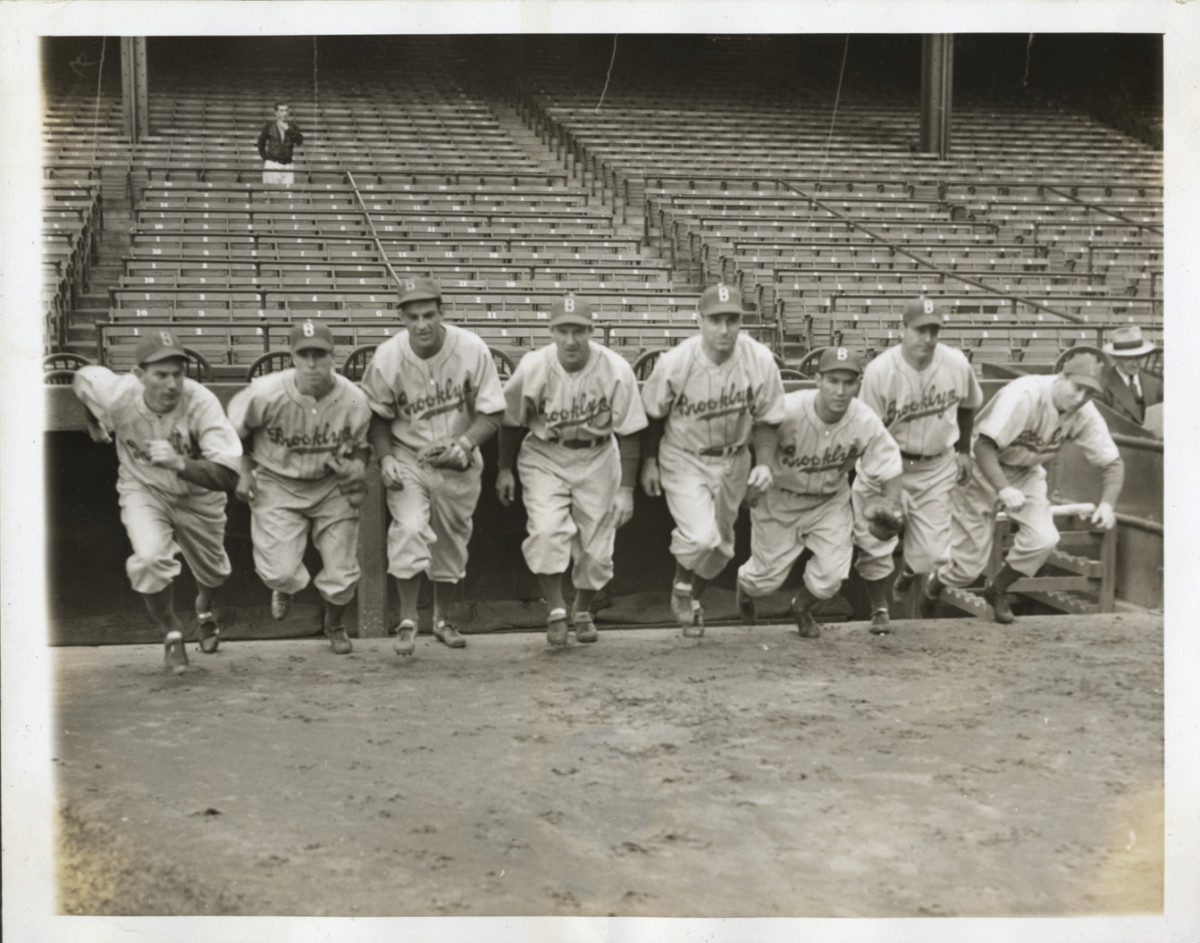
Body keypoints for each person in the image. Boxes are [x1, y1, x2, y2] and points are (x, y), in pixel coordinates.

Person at [72, 330, 241, 673]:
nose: (172, 384)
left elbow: (228, 475)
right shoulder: (118, 393)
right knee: (149, 560)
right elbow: (82, 379)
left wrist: (182, 463)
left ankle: (205, 609)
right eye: (161, 375)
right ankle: (172, 634)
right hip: (144, 489)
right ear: (138, 374)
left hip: (199, 496)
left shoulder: (202, 402)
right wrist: (93, 422)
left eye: (178, 374)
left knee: (215, 573)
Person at [921, 351, 1124, 623]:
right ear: (1062, 377)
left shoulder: (1084, 412)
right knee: (967, 570)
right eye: (1077, 387)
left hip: (1026, 472)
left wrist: (1108, 503)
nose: (1080, 398)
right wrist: (1002, 488)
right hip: (982, 470)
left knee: (1044, 539)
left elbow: (1113, 463)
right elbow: (983, 445)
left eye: (1089, 392)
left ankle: (998, 589)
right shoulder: (1024, 394)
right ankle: (934, 585)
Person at [361, 277, 506, 654]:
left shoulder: (472, 348)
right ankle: (409, 618)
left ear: (442, 312)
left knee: (450, 545)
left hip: (458, 459)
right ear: (402, 318)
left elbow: (492, 413)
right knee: (409, 529)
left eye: (428, 314)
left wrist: (465, 444)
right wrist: (386, 457)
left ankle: (442, 619)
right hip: (409, 457)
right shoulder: (388, 356)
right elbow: (376, 417)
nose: (421, 324)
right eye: (412, 316)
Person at [495, 295, 648, 647]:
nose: (570, 339)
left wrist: (625, 489)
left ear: (591, 331)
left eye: (578, 330)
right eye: (562, 330)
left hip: (598, 457)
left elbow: (629, 430)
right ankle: (557, 611)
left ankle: (582, 610)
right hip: (546, 456)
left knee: (597, 553)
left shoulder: (615, 368)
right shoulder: (534, 365)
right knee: (547, 532)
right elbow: (511, 420)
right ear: (551, 331)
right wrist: (505, 469)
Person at [640, 283, 786, 637]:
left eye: (732, 320)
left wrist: (764, 463)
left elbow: (767, 419)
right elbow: (652, 414)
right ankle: (682, 585)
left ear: (741, 321)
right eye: (716, 320)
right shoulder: (676, 361)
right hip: (684, 457)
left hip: (735, 459)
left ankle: (692, 601)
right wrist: (648, 462)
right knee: (701, 537)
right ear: (700, 320)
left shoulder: (759, 359)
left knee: (721, 549)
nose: (724, 329)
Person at [735, 347, 903, 639]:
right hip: (779, 499)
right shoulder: (787, 408)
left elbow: (889, 467)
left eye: (848, 382)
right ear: (818, 380)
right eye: (833, 380)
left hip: (829, 501)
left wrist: (891, 504)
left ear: (857, 384)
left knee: (831, 579)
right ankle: (744, 590)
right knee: (762, 581)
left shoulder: (864, 419)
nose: (840, 390)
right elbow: (743, 439)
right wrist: (745, 482)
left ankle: (801, 608)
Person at [227, 320, 372, 656]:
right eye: (304, 354)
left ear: (332, 356)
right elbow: (235, 429)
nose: (311, 363)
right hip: (277, 481)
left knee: (343, 572)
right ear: (292, 355)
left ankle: (334, 625)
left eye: (319, 354)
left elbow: (361, 444)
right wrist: (245, 470)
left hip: (330, 484)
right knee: (278, 572)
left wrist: (359, 465)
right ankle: (285, 588)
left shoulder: (353, 398)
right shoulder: (265, 391)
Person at [850, 297, 983, 634]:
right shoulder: (881, 371)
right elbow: (866, 430)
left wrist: (965, 451)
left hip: (935, 465)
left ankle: (910, 572)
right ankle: (879, 608)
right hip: (885, 462)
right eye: (921, 330)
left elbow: (968, 406)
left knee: (933, 556)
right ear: (903, 329)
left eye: (934, 330)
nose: (928, 338)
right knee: (875, 541)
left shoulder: (955, 363)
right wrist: (887, 488)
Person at [1099, 325, 1162, 427]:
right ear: (1115, 357)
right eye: (1128, 358)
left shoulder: (1156, 383)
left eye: (1138, 356)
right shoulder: (1102, 385)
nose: (1135, 363)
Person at [257, 101, 304, 186]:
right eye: (281, 111)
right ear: (276, 113)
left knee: (287, 196)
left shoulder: (292, 127)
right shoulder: (269, 126)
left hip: (288, 166)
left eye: (286, 110)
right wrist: (266, 159)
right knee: (271, 195)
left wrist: (288, 130)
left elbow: (299, 141)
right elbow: (260, 144)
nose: (285, 113)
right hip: (273, 165)